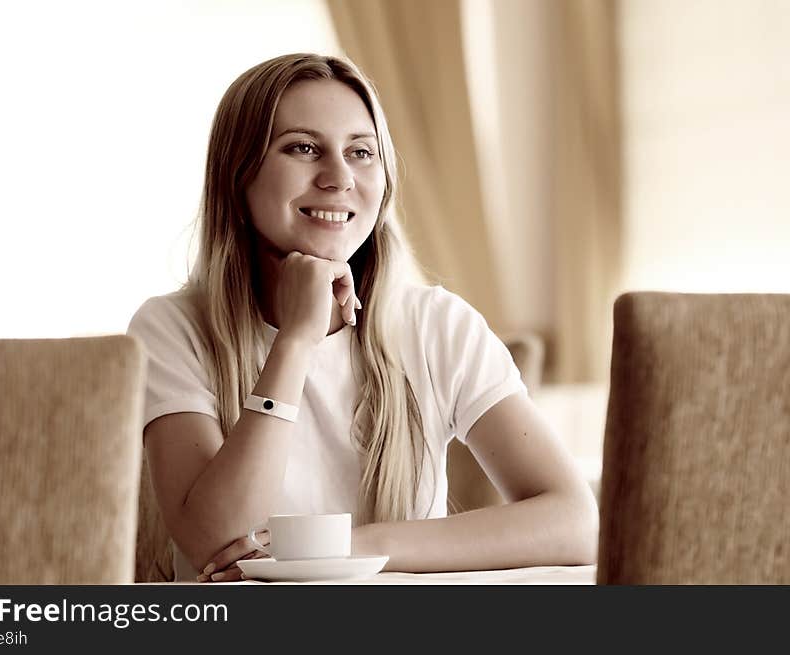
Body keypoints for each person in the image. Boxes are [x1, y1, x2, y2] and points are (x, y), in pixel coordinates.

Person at [126, 53, 598, 583]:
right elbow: (213, 541)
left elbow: (573, 522)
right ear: (238, 178)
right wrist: (297, 341)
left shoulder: (437, 325)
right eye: (303, 148)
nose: (339, 177)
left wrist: (348, 549)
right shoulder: (170, 329)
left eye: (361, 152)